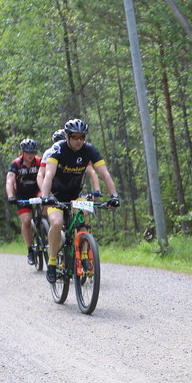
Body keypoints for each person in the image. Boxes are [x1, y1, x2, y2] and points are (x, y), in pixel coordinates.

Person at [39, 118, 120, 283]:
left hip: (76, 194)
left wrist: (114, 196)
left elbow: (104, 174)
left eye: (82, 137)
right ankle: (53, 262)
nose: (79, 141)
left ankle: (84, 255)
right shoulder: (57, 149)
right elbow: (48, 175)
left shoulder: (89, 150)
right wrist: (45, 197)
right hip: (55, 195)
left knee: (84, 214)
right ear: (67, 137)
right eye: (75, 137)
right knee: (56, 222)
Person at [6, 138, 42, 265]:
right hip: (22, 194)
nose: (31, 155)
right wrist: (11, 196)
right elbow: (10, 180)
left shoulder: (39, 161)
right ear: (23, 152)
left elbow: (47, 174)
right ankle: (30, 250)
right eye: (28, 152)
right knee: (26, 220)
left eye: (33, 152)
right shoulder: (16, 163)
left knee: (48, 207)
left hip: (37, 190)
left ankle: (45, 228)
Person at [37, 129, 100, 195]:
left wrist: (97, 190)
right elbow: (41, 174)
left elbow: (92, 172)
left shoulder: (77, 152)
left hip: (75, 189)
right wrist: (45, 193)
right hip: (55, 190)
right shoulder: (49, 153)